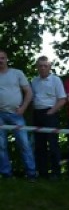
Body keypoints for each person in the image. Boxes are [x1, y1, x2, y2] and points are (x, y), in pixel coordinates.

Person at [0, 50, 36, 180]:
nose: (0, 60)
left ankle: (31, 173)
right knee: (1, 145)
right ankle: (6, 174)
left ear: (7, 59)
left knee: (24, 144)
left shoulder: (17, 73)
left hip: (17, 114)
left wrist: (23, 108)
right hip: (0, 115)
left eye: (2, 58)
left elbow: (29, 92)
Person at [30, 56, 67, 180]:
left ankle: (56, 172)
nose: (43, 68)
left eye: (45, 66)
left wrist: (52, 111)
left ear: (50, 67)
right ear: (37, 67)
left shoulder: (56, 80)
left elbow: (62, 99)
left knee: (53, 144)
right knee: (39, 145)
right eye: (40, 66)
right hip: (37, 113)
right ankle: (42, 172)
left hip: (51, 113)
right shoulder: (34, 81)